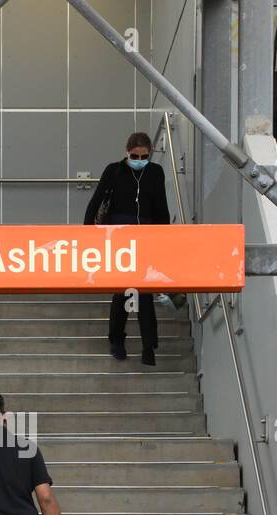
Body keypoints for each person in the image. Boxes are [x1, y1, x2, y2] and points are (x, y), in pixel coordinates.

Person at [83, 131, 171, 365]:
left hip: (146, 237)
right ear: (127, 152)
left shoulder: (155, 172)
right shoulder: (114, 170)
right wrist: (86, 231)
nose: (139, 160)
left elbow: (161, 205)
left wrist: (166, 238)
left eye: (144, 156)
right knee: (122, 290)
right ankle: (117, 341)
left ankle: (148, 346)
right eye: (135, 155)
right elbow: (97, 199)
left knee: (145, 292)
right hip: (119, 237)